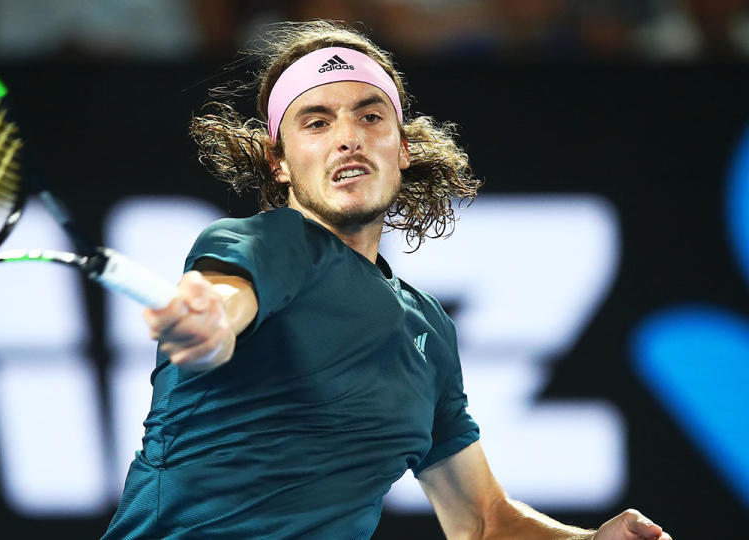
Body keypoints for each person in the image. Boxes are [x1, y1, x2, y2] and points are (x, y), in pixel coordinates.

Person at [102, 21, 671, 540]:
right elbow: (227, 302)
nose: (348, 136)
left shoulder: (428, 333)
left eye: (370, 116)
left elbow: (482, 520)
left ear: (401, 148)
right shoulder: (265, 243)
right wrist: (209, 324)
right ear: (279, 161)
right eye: (317, 122)